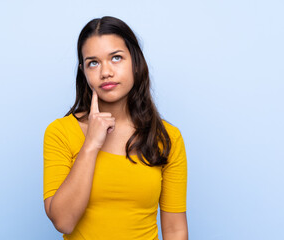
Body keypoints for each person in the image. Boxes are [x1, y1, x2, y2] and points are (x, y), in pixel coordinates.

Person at [43, 16, 188, 240]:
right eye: (94, 62)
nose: (106, 72)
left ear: (135, 62)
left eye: (116, 58)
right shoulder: (60, 132)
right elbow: (63, 221)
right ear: (84, 71)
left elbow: (175, 229)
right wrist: (91, 143)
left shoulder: (167, 137)